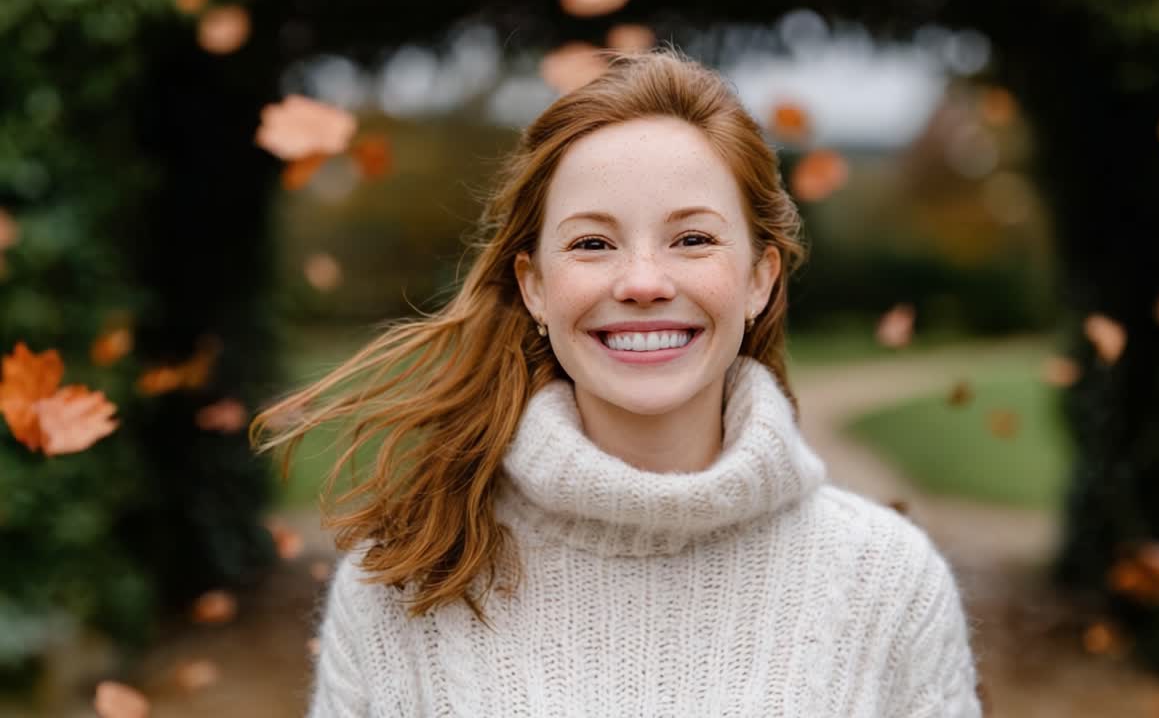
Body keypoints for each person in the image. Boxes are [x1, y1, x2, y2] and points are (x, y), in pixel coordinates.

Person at [252, 48, 983, 717]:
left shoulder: (889, 585)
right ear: (534, 287)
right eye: (593, 243)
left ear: (760, 279)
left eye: (692, 239)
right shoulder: (403, 583)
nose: (641, 282)